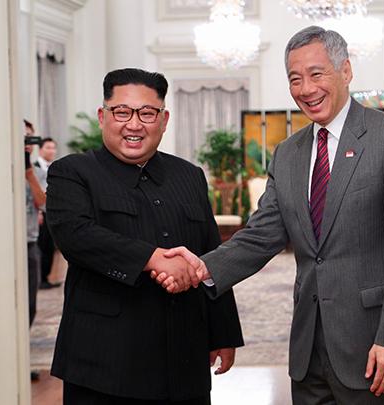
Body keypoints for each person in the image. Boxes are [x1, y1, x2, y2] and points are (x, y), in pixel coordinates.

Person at [154, 26, 384, 404]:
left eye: (316, 74)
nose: (306, 89)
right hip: (308, 349)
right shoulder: (288, 153)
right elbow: (261, 235)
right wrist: (201, 267)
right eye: (295, 79)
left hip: (373, 347)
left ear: (345, 71)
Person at [45, 68, 244, 404]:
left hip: (184, 357)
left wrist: (223, 333)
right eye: (122, 112)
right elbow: (76, 235)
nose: (134, 124)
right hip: (104, 362)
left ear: (163, 120)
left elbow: (211, 255)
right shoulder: (72, 172)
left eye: (147, 113)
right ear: (103, 117)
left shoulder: (189, 175)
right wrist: (152, 259)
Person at [24, 119, 46, 380]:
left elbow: (44, 204)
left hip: (30, 242)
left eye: (30, 139)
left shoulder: (38, 173)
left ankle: (24, 354)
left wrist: (29, 174)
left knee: (29, 303)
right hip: (3, 247)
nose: (27, 144)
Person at [34, 137, 61, 289]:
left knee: (50, 246)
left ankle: (46, 278)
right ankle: (39, 279)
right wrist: (38, 211)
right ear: (40, 149)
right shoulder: (33, 168)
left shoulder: (56, 167)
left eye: (53, 148)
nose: (51, 151)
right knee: (41, 246)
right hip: (39, 212)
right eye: (48, 148)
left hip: (51, 211)